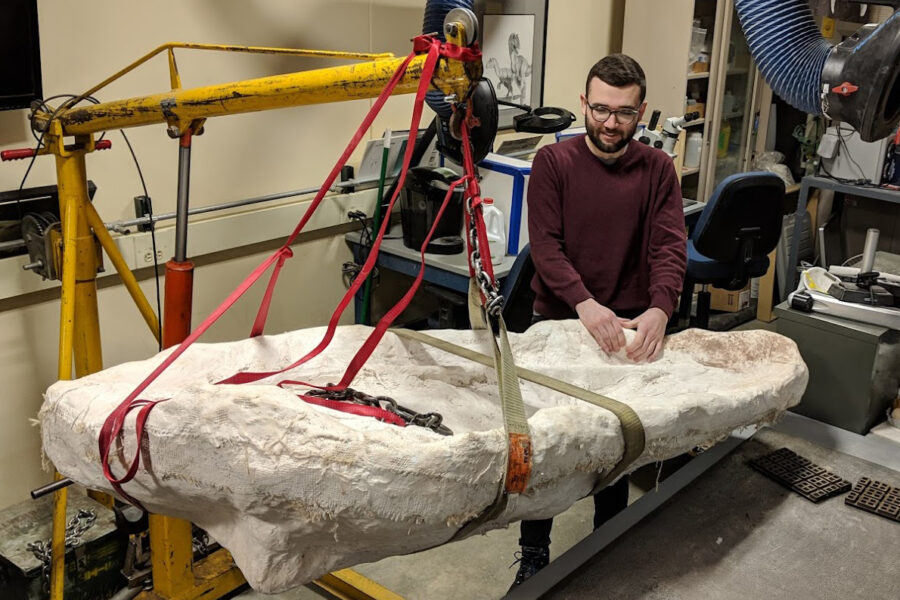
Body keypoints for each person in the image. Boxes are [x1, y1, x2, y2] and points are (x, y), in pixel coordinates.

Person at [509, 53, 687, 588]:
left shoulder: (658, 169)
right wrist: (585, 304)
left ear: (642, 113)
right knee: (551, 447)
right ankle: (534, 555)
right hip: (560, 322)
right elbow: (546, 247)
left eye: (625, 113)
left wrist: (660, 307)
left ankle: (607, 549)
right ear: (584, 104)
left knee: (618, 442)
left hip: (629, 327)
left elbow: (669, 246)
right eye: (602, 109)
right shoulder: (553, 163)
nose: (611, 124)